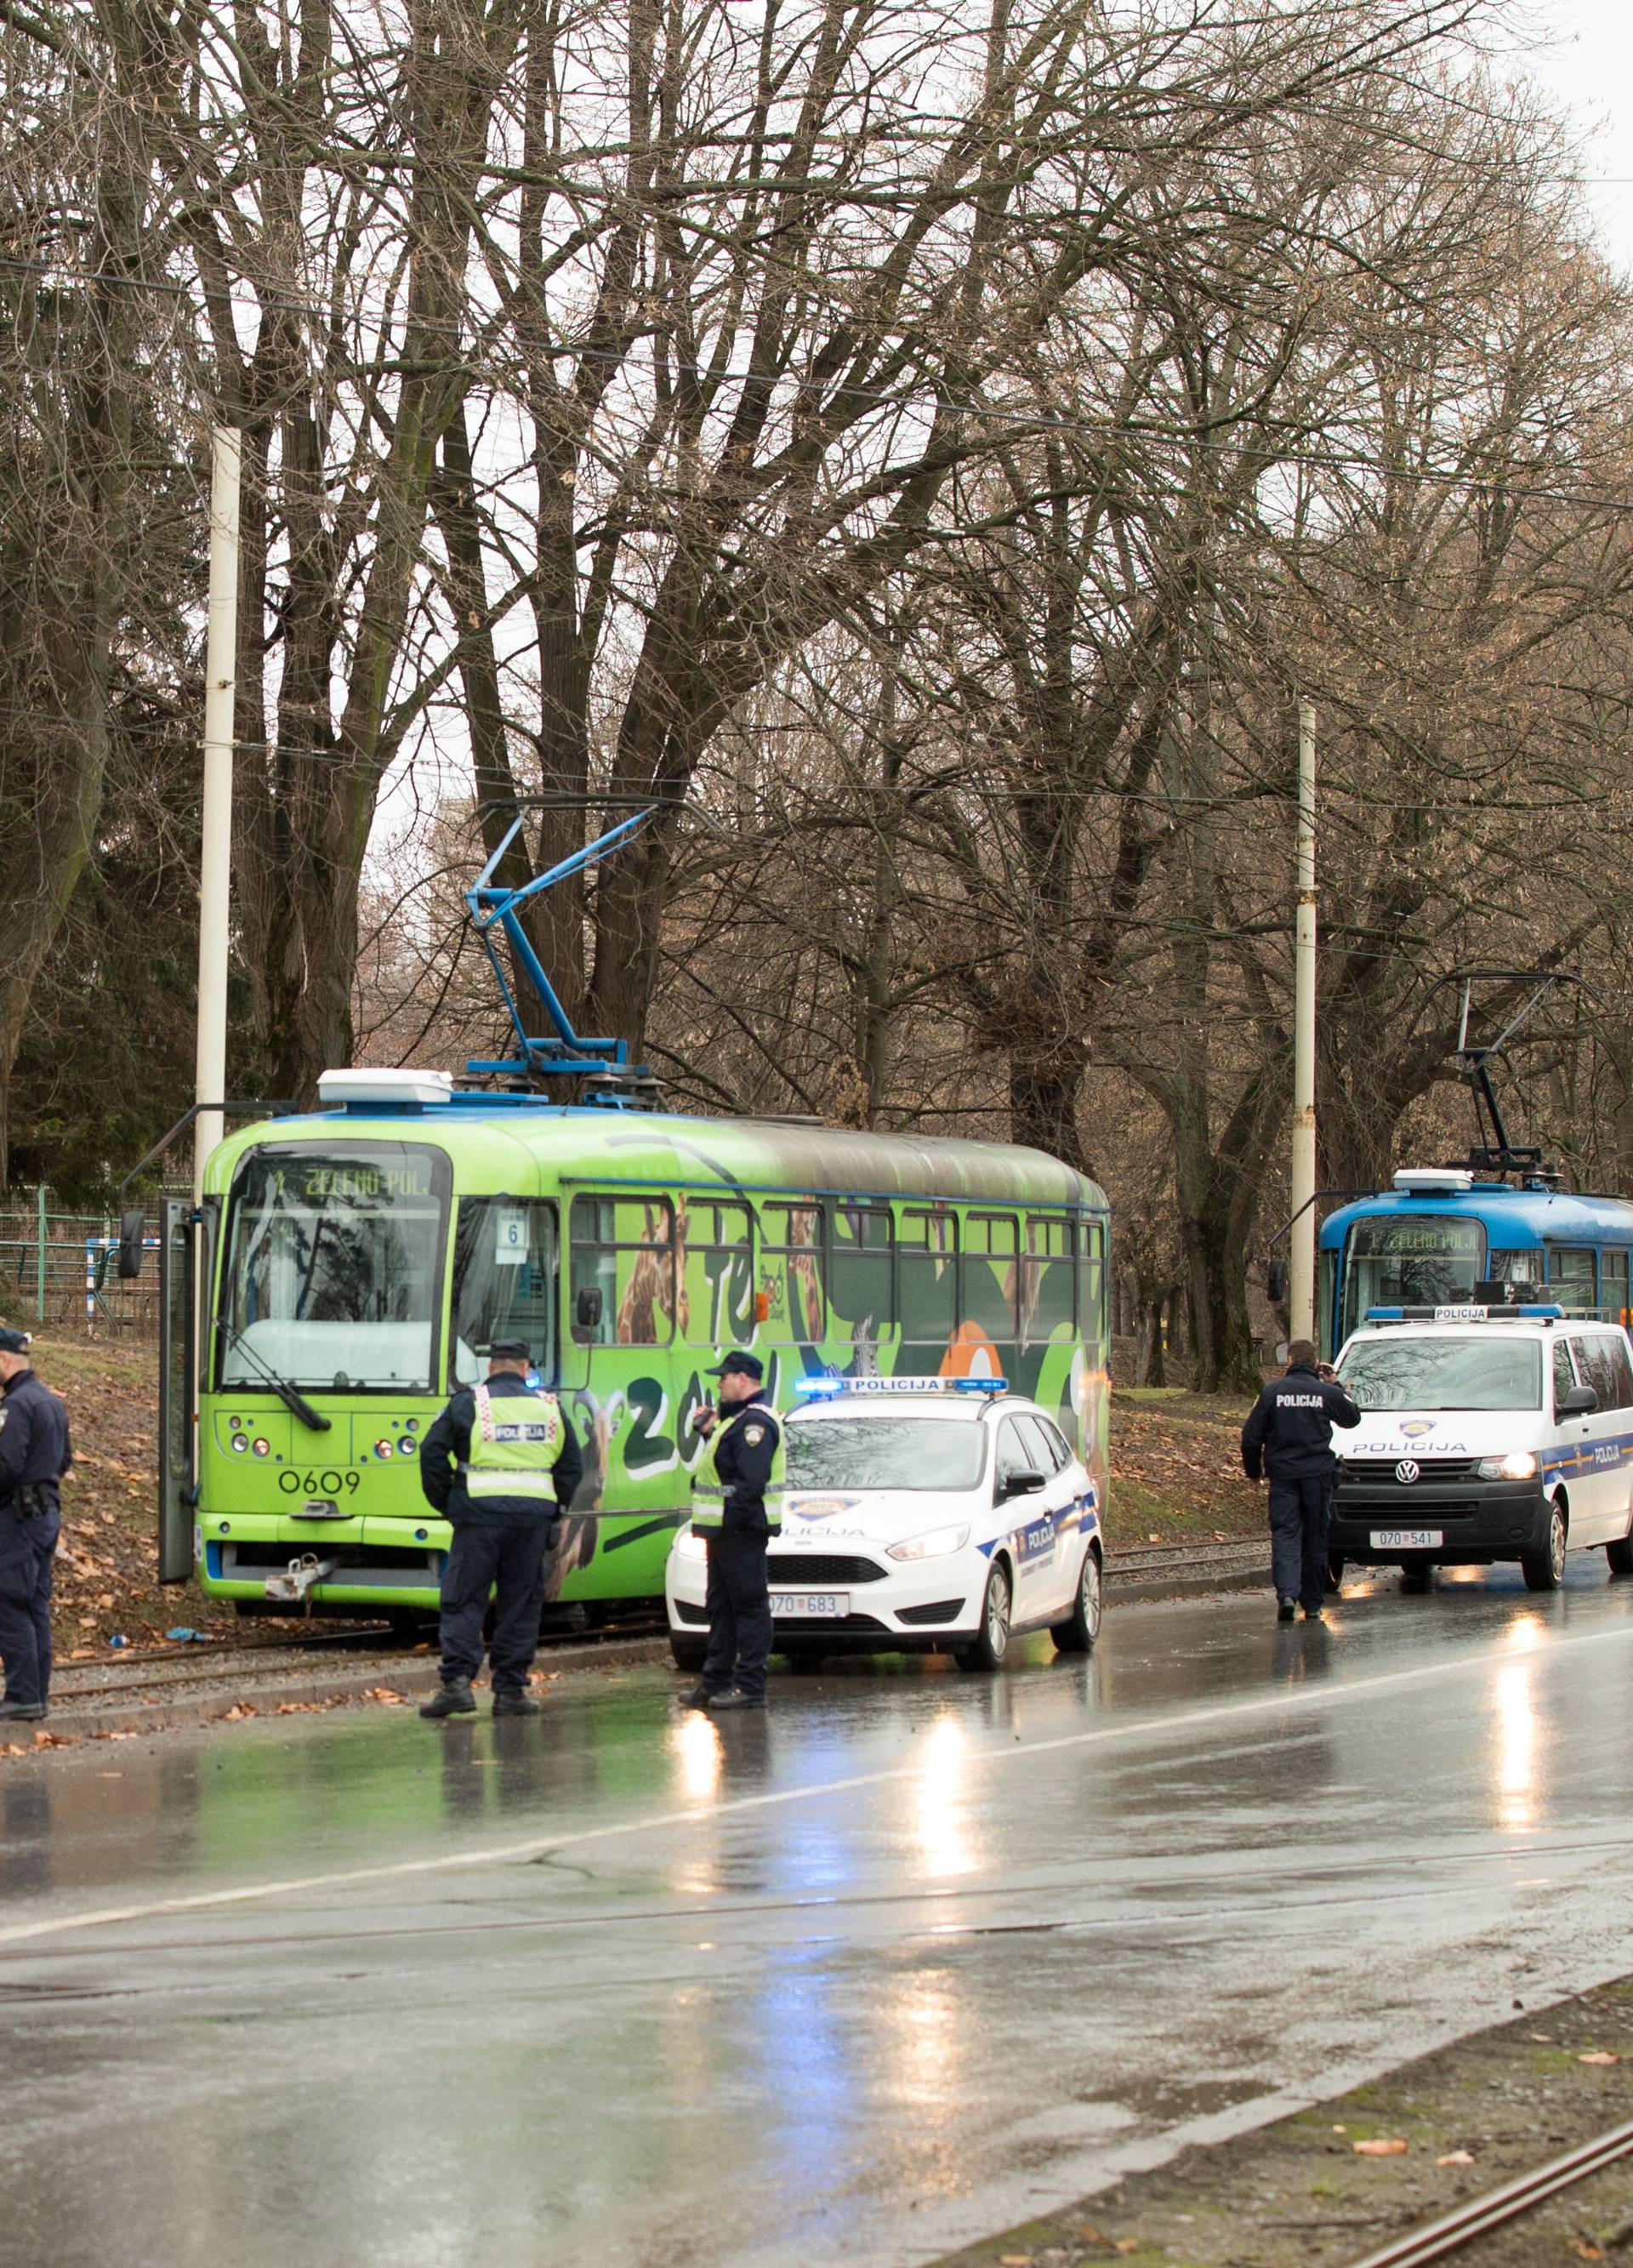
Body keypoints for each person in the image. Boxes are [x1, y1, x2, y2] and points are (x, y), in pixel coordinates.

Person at [417, 1338, 583, 1718]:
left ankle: (457, 1685)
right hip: (531, 1524)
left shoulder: (469, 1403)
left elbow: (431, 1452)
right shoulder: (551, 1408)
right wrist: (554, 1508)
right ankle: (510, 1691)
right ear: (525, 1368)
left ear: (491, 1367)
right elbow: (571, 1465)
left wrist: (447, 1502)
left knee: (464, 1599)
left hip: (478, 1518)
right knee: (520, 1604)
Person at [685, 1350, 784, 1712]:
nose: (718, 1384)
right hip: (723, 1532)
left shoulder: (755, 1424)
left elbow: (750, 1483)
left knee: (748, 1608)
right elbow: (723, 1468)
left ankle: (750, 1687)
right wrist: (709, 1429)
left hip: (740, 1531)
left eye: (723, 1378)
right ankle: (714, 1683)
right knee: (721, 1608)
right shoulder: (735, 1421)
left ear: (742, 1379)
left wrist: (733, 1522)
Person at [1241, 1338, 1361, 1622]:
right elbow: (1352, 1417)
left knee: (1285, 1534)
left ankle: (1286, 1595)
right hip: (1318, 1476)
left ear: (1290, 1361)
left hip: (1283, 1477)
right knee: (1315, 1537)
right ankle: (1314, 1603)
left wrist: (1253, 1472)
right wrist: (1334, 1384)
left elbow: (1250, 1437)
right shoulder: (1324, 1392)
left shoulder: (1272, 1393)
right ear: (1315, 1363)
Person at [0, 1325, 72, 1723]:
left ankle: (23, 1696)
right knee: (34, 1605)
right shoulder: (50, 1402)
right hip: (46, 1517)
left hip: (17, 1519)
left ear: (3, 1360)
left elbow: (5, 1466)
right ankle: (36, 1695)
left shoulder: (15, 1406)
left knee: (10, 1603)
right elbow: (65, 1459)